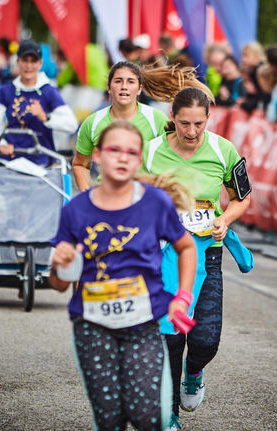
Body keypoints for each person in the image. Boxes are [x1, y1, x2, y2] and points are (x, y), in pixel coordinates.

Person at [49, 120, 198, 431]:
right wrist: (61, 265)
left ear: (140, 159)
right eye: (114, 150)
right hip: (93, 326)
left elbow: (186, 247)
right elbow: (59, 284)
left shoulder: (155, 203)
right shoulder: (75, 210)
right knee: (110, 418)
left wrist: (182, 298)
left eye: (131, 152)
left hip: (143, 325)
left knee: (146, 415)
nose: (122, 157)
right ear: (99, 156)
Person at [142, 87, 252, 431]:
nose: (191, 132)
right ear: (171, 118)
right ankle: (169, 413)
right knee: (171, 334)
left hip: (208, 253)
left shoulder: (223, 149)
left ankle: (195, 371)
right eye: (184, 123)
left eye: (199, 124)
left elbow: (242, 197)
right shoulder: (151, 151)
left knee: (205, 339)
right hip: (165, 255)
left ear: (209, 117)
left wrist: (225, 219)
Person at [72, 61, 212, 191]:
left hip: (145, 198)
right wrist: (87, 195)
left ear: (139, 89)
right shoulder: (93, 122)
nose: (124, 87)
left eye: (130, 82)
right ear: (108, 87)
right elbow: (80, 164)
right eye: (118, 81)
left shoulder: (156, 119)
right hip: (109, 197)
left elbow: (176, 156)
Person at [0, 40, 77, 166]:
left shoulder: (49, 91)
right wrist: (0, 144)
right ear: (18, 62)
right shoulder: (5, 91)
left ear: (40, 64)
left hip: (42, 163)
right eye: (25, 60)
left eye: (33, 61)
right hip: (10, 161)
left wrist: (46, 117)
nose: (29, 66)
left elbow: (71, 124)